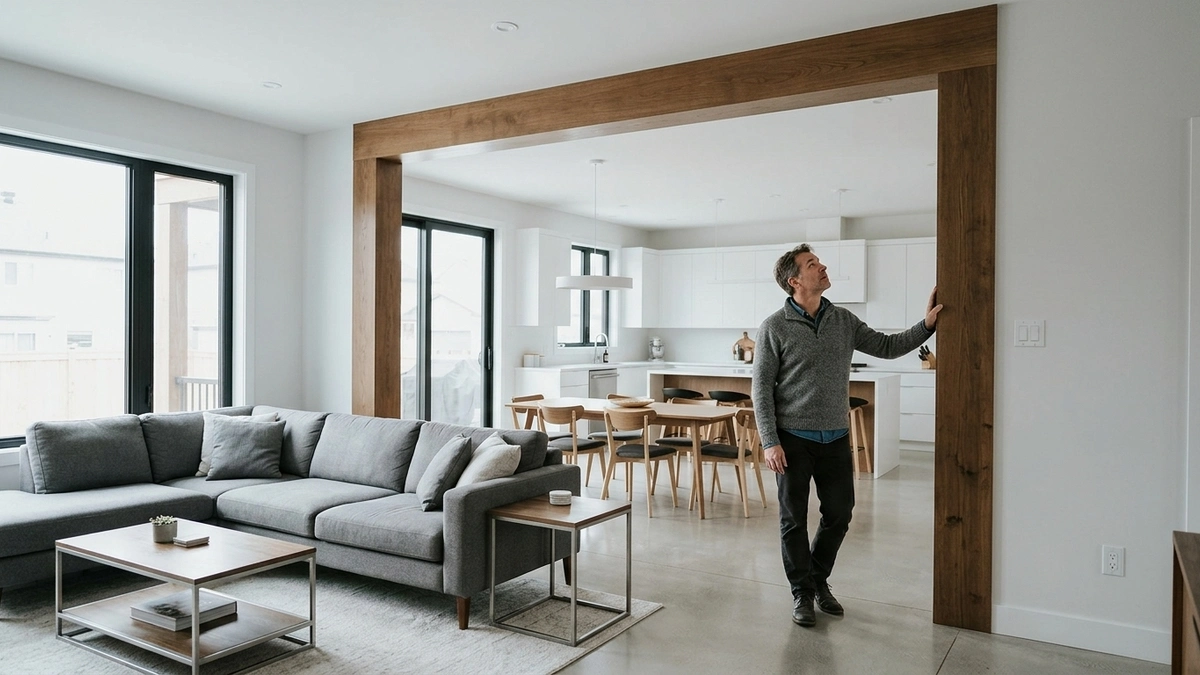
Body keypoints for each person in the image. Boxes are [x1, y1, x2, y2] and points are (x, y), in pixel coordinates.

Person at [751, 243, 941, 627]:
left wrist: (927, 325)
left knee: (839, 513)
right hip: (792, 439)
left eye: (819, 262)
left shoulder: (843, 320)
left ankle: (818, 580)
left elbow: (886, 346)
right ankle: (802, 593)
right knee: (792, 519)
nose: (822, 267)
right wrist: (770, 440)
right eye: (812, 264)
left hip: (835, 436)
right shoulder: (774, 327)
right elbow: (761, 388)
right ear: (794, 280)